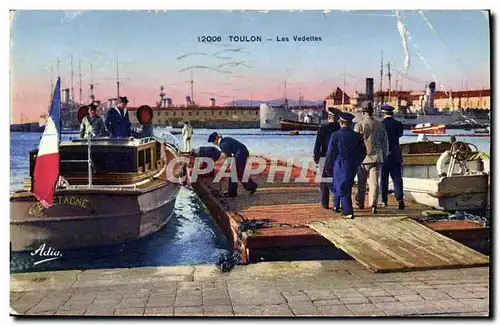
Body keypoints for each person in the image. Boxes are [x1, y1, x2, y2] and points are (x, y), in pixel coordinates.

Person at [325, 112, 366, 219]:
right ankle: (338, 206)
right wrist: (357, 162)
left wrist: (328, 166)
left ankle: (347, 212)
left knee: (342, 186)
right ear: (350, 123)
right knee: (345, 185)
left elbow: (330, 153)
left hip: (339, 164)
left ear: (341, 122)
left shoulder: (335, 135)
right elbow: (363, 152)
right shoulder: (357, 136)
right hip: (353, 165)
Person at [354, 101, 389, 214]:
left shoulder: (359, 125)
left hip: (362, 159)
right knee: (374, 183)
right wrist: (384, 154)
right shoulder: (380, 125)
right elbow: (385, 143)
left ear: (363, 112)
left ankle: (360, 202)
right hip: (376, 158)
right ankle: (373, 205)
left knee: (361, 183)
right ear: (372, 112)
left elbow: (355, 143)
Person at [208, 132, 257, 197]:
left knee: (234, 172)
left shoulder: (223, 144)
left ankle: (232, 193)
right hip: (242, 152)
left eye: (213, 142)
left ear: (216, 139)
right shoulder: (225, 139)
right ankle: (252, 186)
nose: (214, 144)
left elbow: (229, 157)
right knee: (238, 172)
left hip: (240, 154)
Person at [313, 107, 341, 209]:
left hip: (324, 157)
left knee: (324, 180)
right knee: (338, 179)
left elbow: (317, 146)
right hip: (338, 158)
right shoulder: (340, 128)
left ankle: (325, 203)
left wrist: (316, 158)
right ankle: (337, 204)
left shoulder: (322, 128)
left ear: (329, 116)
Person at [379, 105, 405, 210]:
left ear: (383, 113)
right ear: (392, 113)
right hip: (395, 154)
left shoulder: (380, 125)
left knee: (383, 179)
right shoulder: (398, 124)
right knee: (397, 178)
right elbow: (399, 135)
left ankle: (384, 201)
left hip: (384, 155)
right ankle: (400, 199)